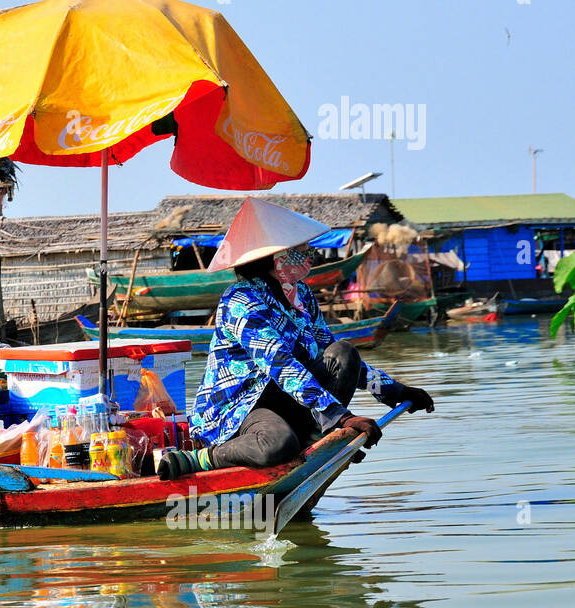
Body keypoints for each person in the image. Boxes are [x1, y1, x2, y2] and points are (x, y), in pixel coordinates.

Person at [158, 198, 434, 480]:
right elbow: (280, 364)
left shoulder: (299, 294)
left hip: (287, 398)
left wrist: (396, 391)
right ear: (275, 257)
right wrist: (341, 417)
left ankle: (314, 438)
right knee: (278, 444)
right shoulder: (240, 301)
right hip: (241, 408)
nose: (308, 254)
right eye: (299, 250)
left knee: (344, 353)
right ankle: (204, 458)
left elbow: (329, 350)